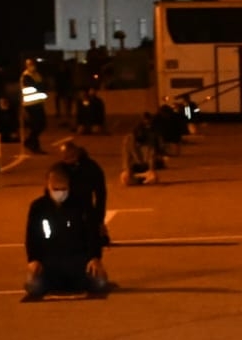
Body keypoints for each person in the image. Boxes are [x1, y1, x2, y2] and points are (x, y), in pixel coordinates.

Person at [24, 165, 108, 298]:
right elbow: (31, 236)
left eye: (64, 189)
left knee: (99, 284)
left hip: (78, 260)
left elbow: (92, 232)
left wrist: (94, 257)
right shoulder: (38, 207)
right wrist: (33, 259)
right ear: (48, 186)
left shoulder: (82, 204)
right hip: (49, 261)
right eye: (56, 189)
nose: (60, 193)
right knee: (34, 287)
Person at [58, 139, 108, 234]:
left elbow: (101, 194)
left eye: (71, 156)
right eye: (66, 157)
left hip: (85, 207)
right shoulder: (59, 170)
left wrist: (99, 220)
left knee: (92, 236)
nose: (69, 159)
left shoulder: (90, 167)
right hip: (65, 206)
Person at [123, 114, 163, 185]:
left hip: (146, 168)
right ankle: (138, 180)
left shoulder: (150, 140)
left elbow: (152, 157)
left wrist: (151, 170)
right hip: (134, 168)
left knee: (153, 178)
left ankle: (141, 180)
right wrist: (128, 171)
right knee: (124, 178)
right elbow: (127, 158)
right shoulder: (129, 141)